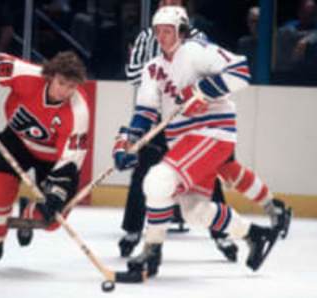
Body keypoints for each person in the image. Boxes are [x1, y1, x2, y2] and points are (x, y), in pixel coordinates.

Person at [113, 6, 281, 277]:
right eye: (158, 31)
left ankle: (151, 251)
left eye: (168, 31)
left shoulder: (196, 51)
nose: (163, 37)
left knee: (157, 180)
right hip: (183, 139)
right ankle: (254, 235)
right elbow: (145, 113)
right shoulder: (152, 69)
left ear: (181, 31)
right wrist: (127, 143)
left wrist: (199, 90)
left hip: (212, 131)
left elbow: (240, 71)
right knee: (194, 211)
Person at [119, 0, 237, 262]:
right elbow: (132, 73)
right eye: (164, 1)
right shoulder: (146, 36)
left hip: (191, 120)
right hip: (156, 116)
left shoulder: (197, 39)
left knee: (206, 174)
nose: (167, 3)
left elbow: (211, 74)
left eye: (173, 1)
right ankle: (132, 231)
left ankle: (222, 234)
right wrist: (164, 71)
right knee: (142, 171)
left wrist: (189, 86)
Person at [0, 51, 90, 271]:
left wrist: (55, 194)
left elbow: (70, 160)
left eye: (71, 86)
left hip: (54, 161)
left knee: (50, 220)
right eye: (61, 83)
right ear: (51, 76)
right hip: (17, 142)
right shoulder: (29, 75)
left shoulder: (78, 111)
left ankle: (28, 211)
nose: (64, 91)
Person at [237, 6, 259, 77]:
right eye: (253, 21)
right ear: (248, 23)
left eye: (259, 21)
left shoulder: (274, 44)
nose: (256, 25)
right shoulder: (243, 43)